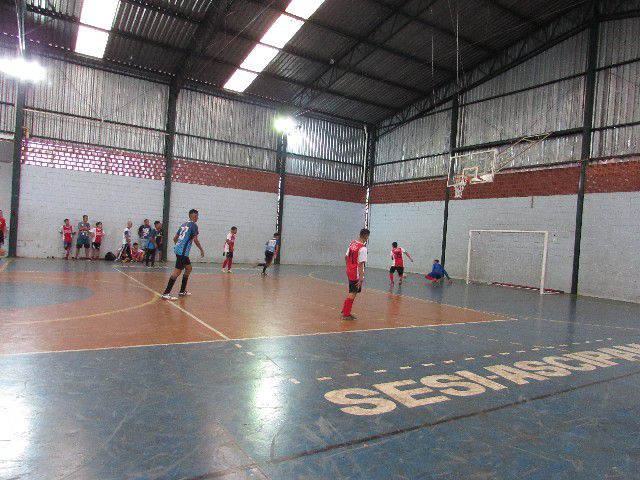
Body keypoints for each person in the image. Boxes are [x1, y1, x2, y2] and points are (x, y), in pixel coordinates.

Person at [161, 209, 205, 300]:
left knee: (188, 269)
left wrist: (178, 246)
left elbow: (175, 238)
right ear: (194, 216)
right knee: (177, 272)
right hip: (182, 252)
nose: (198, 217)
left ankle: (182, 291)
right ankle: (166, 293)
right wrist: (201, 249)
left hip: (180, 250)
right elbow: (195, 239)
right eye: (197, 215)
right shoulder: (194, 225)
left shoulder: (183, 225)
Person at [339, 228, 369, 320]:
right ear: (366, 236)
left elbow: (346, 256)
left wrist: (348, 266)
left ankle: (345, 309)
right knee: (353, 292)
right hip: (355, 273)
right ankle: (346, 314)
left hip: (350, 270)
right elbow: (360, 264)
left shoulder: (352, 243)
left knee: (351, 291)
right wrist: (361, 277)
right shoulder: (363, 248)